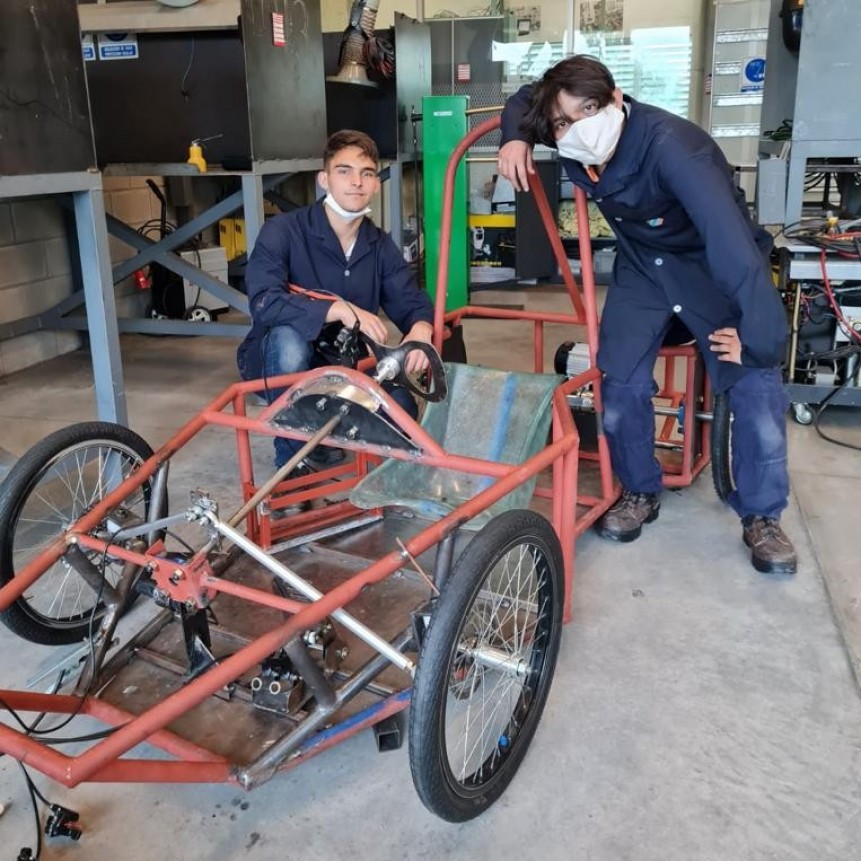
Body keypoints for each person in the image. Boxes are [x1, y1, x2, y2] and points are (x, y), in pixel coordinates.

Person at [498, 55, 796, 575]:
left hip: (710, 266)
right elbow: (528, 96)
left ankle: (762, 515)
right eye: (561, 122)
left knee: (753, 380)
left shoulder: (674, 149)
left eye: (587, 110)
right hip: (643, 268)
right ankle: (639, 488)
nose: (575, 129)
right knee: (620, 376)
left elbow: (731, 246)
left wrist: (761, 336)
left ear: (615, 100)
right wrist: (512, 136)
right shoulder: (564, 127)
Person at [236, 129, 434, 471]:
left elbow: (411, 300)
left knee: (403, 407)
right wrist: (336, 308)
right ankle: (292, 460)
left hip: (345, 364)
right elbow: (264, 302)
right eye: (344, 171)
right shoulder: (283, 231)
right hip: (280, 360)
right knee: (290, 341)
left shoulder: (378, 245)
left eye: (367, 173)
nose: (356, 182)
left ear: (376, 184)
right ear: (324, 179)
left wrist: (420, 331)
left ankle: (334, 442)